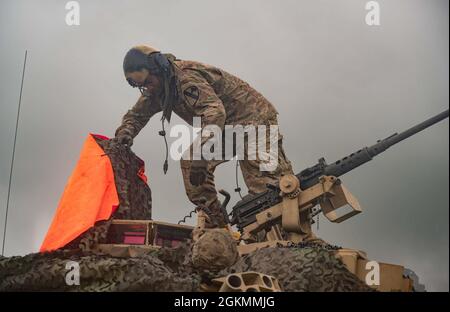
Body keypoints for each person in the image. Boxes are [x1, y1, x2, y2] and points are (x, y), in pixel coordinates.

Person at [115, 45, 293, 228]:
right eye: (141, 85)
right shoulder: (159, 88)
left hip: (254, 121)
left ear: (157, 67)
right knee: (190, 162)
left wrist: (203, 152)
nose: (147, 87)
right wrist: (125, 132)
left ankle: (289, 239)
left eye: (147, 81)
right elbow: (136, 115)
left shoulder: (184, 78)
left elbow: (214, 113)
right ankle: (217, 226)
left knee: (268, 192)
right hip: (225, 129)